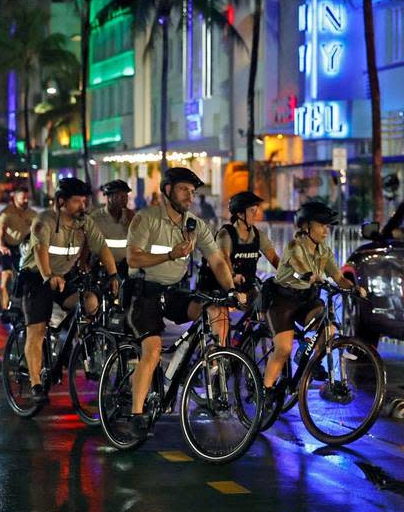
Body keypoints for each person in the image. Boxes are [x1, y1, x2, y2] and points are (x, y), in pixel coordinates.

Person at [124, 167, 242, 437]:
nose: (189, 196)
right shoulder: (147, 218)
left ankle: (212, 362)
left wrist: (232, 290)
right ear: (167, 190)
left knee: (213, 308)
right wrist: (170, 254)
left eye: (192, 191)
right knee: (152, 351)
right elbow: (133, 259)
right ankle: (137, 413)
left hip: (173, 292)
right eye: (183, 189)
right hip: (144, 293)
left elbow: (217, 261)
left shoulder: (195, 225)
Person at [18, 178, 118, 405]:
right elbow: (40, 250)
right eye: (76, 201)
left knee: (90, 301)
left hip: (64, 277)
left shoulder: (85, 222)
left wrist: (114, 276)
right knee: (37, 329)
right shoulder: (44, 220)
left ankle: (73, 345)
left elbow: (101, 247)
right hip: (36, 277)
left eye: (84, 201)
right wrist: (47, 276)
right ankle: (35, 383)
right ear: (61, 202)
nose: (83, 206)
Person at [265, 200, 366, 405]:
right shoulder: (295, 246)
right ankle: (266, 391)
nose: (325, 231)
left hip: (306, 299)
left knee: (327, 325)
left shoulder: (324, 251)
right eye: (321, 225)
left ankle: (313, 362)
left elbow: (338, 278)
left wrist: (354, 288)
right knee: (283, 349)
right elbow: (301, 266)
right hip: (283, 300)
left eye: (327, 226)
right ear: (306, 226)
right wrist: (311, 276)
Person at [196, 191, 280, 346]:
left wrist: (289, 276)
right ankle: (216, 363)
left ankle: (243, 343)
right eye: (252, 211)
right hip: (218, 286)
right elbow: (224, 259)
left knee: (269, 309)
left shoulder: (258, 235)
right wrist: (233, 279)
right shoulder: (226, 234)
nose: (257, 214)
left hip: (245, 286)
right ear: (240, 214)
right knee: (222, 324)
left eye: (257, 210)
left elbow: (274, 259)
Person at [0, 184, 36, 311]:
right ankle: (4, 307)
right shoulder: (6, 213)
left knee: (27, 275)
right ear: (15, 198)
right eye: (22, 198)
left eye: (27, 198)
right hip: (7, 246)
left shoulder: (32, 213)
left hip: (24, 247)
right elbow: (0, 232)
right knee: (6, 275)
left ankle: (24, 303)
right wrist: (1, 245)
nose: (25, 201)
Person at [89, 180, 134, 280]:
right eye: (120, 196)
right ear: (109, 197)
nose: (124, 199)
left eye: (126, 196)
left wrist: (132, 222)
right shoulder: (95, 218)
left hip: (126, 268)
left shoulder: (130, 216)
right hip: (102, 269)